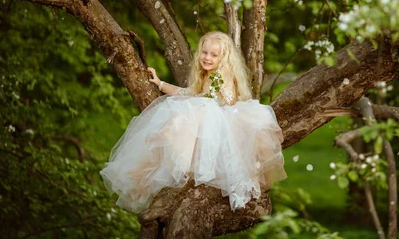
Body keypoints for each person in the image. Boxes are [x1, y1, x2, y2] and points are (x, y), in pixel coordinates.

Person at [100, 32, 286, 213]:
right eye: (204, 52)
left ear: (225, 59)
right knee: (174, 127)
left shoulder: (222, 76)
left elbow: (227, 102)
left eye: (214, 55)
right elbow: (187, 93)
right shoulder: (205, 76)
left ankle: (179, 169)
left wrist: (205, 103)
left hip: (220, 121)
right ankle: (165, 171)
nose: (207, 58)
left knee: (182, 122)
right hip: (206, 117)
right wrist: (160, 83)